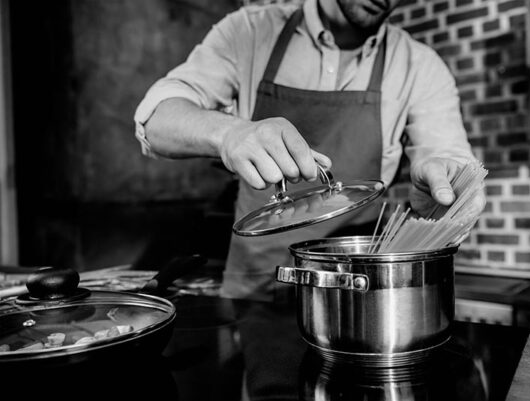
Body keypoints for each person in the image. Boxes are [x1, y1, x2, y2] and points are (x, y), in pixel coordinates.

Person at [134, 0, 485, 299]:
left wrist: (449, 189)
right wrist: (229, 134)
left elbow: (449, 156)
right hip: (254, 291)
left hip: (355, 292)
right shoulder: (250, 31)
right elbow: (157, 121)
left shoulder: (420, 66)